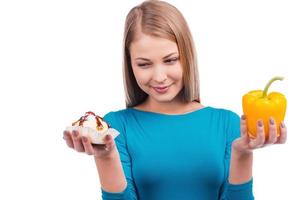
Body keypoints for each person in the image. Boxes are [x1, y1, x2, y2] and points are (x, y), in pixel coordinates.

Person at [63, 1, 287, 199]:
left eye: (170, 60)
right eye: (144, 64)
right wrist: (106, 156)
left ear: (187, 56)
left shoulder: (227, 123)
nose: (159, 77)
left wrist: (242, 154)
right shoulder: (117, 127)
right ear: (129, 65)